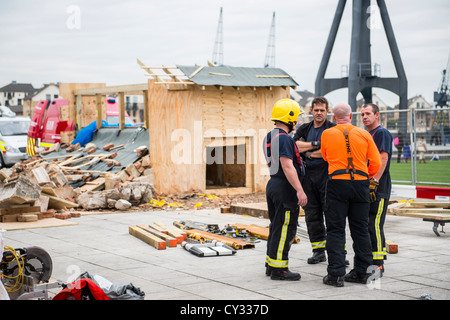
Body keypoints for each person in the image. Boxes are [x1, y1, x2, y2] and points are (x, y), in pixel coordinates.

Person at [320, 103, 381, 287]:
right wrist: (364, 176)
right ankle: (363, 273)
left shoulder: (327, 134)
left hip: (337, 183)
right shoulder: (363, 134)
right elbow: (376, 162)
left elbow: (325, 156)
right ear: (351, 116)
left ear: (333, 117)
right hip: (361, 184)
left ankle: (336, 275)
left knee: (335, 229)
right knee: (361, 229)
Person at [263, 98, 308, 281]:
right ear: (289, 118)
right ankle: (279, 269)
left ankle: (271, 263)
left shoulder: (270, 135)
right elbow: (287, 165)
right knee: (285, 228)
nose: (297, 121)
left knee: (276, 226)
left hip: (274, 183)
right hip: (284, 187)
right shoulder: (284, 138)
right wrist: (300, 190)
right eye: (296, 117)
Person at [293, 97, 335, 264]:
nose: (319, 113)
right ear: (311, 111)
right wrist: (317, 144)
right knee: (312, 215)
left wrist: (308, 151)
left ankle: (337, 252)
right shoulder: (304, 128)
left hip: (328, 177)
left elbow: (330, 152)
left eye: (322, 110)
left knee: (332, 215)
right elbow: (295, 145)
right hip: (308, 177)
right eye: (316, 110)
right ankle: (318, 251)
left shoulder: (333, 129)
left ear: (327, 111)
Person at [361, 103, 393, 276]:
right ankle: (370, 260)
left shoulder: (381, 133)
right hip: (368, 186)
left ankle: (378, 264)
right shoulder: (367, 134)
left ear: (377, 115)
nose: (365, 117)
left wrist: (374, 181)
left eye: (368, 114)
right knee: (367, 225)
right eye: (363, 114)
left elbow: (383, 158)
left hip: (378, 188)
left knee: (374, 224)